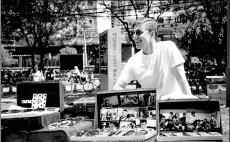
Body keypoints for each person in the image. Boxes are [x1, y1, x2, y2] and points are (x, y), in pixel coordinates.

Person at [113, 18, 194, 100]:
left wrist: (190, 102)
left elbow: (181, 78)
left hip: (174, 107)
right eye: (132, 33)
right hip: (152, 110)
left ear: (152, 34)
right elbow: (117, 86)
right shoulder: (133, 61)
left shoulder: (168, 47)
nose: (134, 37)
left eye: (138, 32)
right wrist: (134, 98)